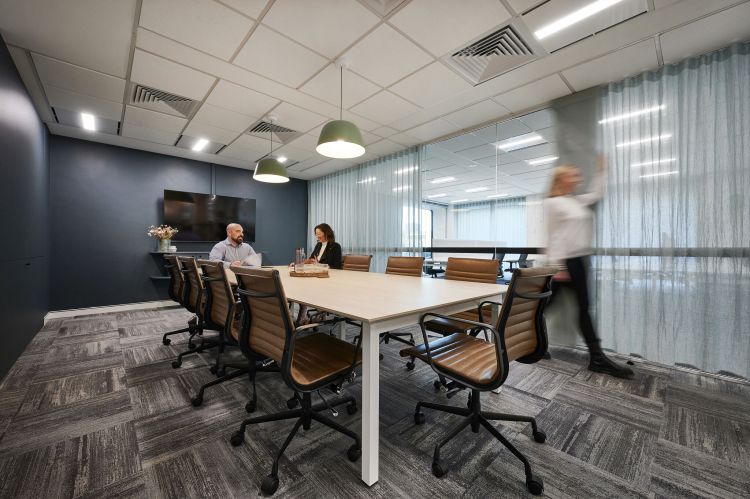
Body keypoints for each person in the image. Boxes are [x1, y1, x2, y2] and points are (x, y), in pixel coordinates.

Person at [544, 156, 634, 379]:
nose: (578, 178)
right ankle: (597, 357)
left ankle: (595, 356)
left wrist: (601, 171)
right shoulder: (553, 203)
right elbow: (553, 236)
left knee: (552, 307)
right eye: (573, 174)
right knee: (565, 307)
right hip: (566, 263)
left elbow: (596, 194)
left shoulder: (575, 200)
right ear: (562, 179)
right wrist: (558, 266)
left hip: (580, 261)